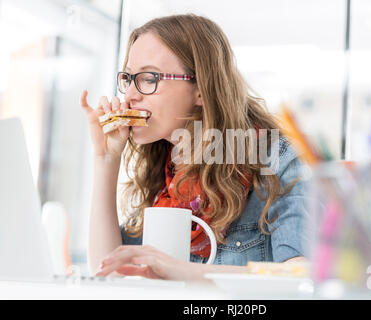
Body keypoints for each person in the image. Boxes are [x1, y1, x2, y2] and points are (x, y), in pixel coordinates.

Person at [80, 14, 309, 281]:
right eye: (129, 78)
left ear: (200, 88)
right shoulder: (163, 170)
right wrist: (106, 161)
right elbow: (107, 273)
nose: (130, 95)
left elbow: (302, 276)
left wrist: (182, 271)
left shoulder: (276, 159)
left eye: (149, 78)